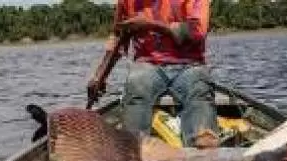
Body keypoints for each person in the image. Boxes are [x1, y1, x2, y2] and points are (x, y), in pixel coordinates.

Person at [86, 0, 219, 148]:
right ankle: (133, 152)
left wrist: (149, 24)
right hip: (148, 64)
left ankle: (202, 153)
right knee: (136, 83)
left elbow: (197, 33)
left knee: (199, 89)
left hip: (189, 64)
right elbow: (119, 36)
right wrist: (100, 76)